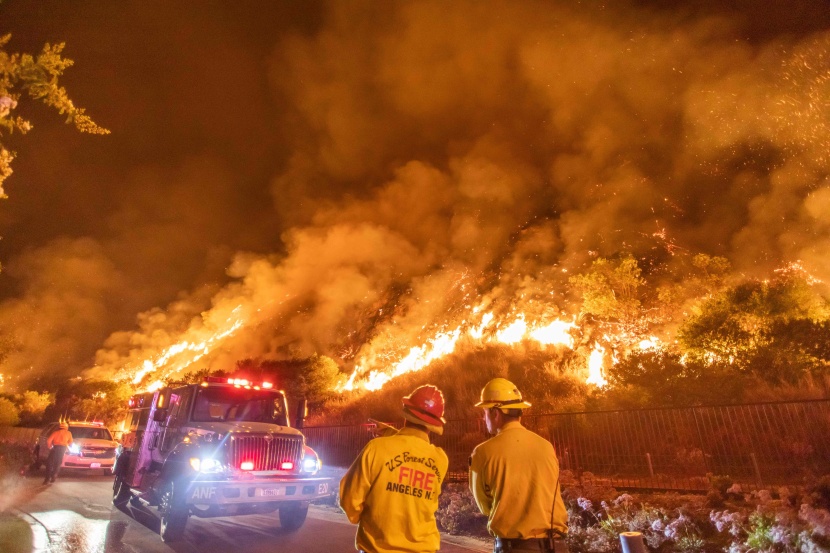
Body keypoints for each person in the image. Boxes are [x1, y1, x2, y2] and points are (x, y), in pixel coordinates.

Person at [340, 385, 450, 553]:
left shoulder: (376, 448)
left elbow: (349, 499)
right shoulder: (440, 459)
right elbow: (413, 448)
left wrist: (363, 519)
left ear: (405, 412)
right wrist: (392, 433)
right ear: (434, 424)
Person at [469, 378, 569, 553]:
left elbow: (485, 507)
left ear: (495, 413)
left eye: (485, 412)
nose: (484, 418)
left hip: (515, 548)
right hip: (557, 546)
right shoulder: (546, 446)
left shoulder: (483, 452)